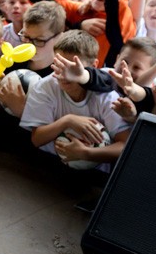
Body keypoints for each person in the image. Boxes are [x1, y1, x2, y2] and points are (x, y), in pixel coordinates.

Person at [21, 30, 132, 167]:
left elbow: (125, 145)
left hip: (96, 176)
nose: (64, 74)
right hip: (48, 164)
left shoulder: (107, 97)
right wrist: (67, 121)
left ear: (93, 66)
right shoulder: (44, 86)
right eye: (60, 65)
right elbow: (37, 139)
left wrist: (86, 153)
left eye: (72, 68)